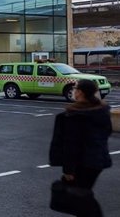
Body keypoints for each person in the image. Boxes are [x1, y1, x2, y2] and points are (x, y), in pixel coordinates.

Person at [49, 79, 112, 217]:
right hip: (97, 161)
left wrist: (68, 169)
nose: (73, 90)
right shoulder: (102, 111)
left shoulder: (73, 115)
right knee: (83, 194)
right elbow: (107, 132)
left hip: (81, 163)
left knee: (81, 197)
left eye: (76, 88)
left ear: (80, 93)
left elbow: (71, 144)